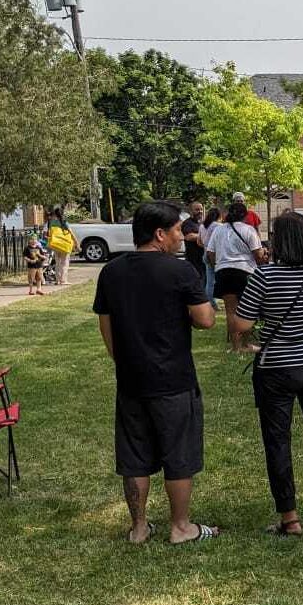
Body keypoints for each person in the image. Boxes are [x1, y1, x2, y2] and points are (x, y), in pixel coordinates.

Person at [92, 201, 219, 545]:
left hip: (131, 378)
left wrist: (123, 360)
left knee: (134, 456)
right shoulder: (179, 271)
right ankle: (180, 526)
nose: (182, 236)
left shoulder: (111, 272)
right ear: (160, 234)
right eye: (177, 230)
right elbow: (206, 320)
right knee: (179, 454)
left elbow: (106, 324)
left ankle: (139, 527)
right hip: (174, 379)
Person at [232, 211, 303, 537]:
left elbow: (242, 324)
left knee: (277, 440)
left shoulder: (263, 277)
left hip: (276, 367)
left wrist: (252, 342)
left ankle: (290, 517)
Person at [207, 201, 265, 351]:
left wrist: (217, 266)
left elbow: (210, 252)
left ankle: (235, 346)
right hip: (245, 272)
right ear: (245, 215)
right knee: (248, 309)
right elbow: (258, 254)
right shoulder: (249, 230)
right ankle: (246, 344)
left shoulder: (218, 231)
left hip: (224, 272)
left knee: (230, 311)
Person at [46, 207, 79, 285]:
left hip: (55, 244)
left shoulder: (51, 222)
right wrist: (77, 243)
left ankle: (57, 280)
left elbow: (49, 233)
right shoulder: (64, 222)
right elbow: (71, 233)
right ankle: (63, 280)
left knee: (57, 263)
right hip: (64, 244)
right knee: (64, 263)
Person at [198, 207, 222, 311]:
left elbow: (199, 241)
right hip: (214, 255)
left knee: (209, 280)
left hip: (205, 253)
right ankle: (212, 303)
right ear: (218, 216)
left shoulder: (202, 226)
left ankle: (210, 301)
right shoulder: (218, 226)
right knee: (214, 281)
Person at [181, 202, 205, 279]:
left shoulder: (201, 223)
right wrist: (206, 235)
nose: (200, 211)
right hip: (193, 261)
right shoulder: (187, 223)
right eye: (197, 210)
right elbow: (189, 236)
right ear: (191, 211)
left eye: (201, 209)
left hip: (202, 260)